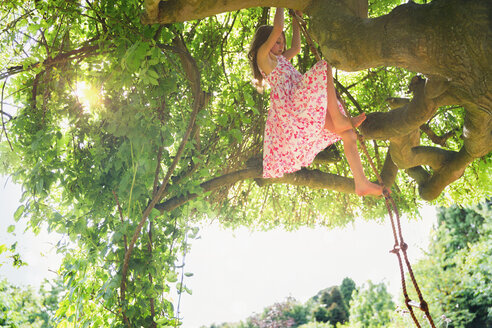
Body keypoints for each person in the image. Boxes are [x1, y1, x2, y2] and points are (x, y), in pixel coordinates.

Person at [248, 7, 383, 196]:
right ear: (265, 42)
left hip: (304, 111)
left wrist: (296, 19)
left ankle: (361, 182)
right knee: (323, 66)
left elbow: (296, 47)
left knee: (349, 134)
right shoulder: (264, 59)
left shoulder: (281, 59)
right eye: (277, 42)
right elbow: (277, 27)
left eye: (281, 43)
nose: (280, 46)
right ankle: (338, 118)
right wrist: (280, 3)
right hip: (293, 110)